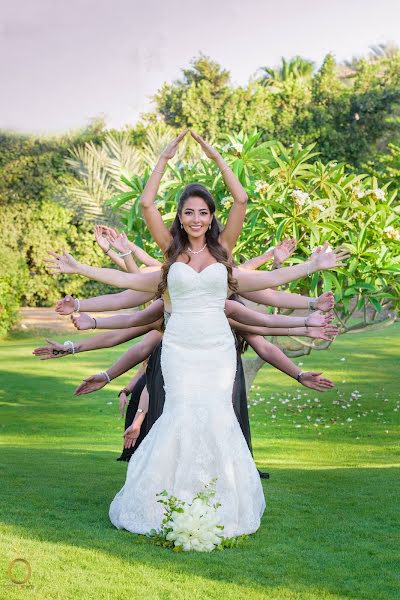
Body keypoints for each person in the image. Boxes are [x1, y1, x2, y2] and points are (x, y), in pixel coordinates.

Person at [46, 130, 348, 537]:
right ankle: (165, 503)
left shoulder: (224, 249)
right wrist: (164, 159)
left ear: (211, 217)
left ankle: (221, 504)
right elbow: (146, 206)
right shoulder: (170, 251)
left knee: (218, 417)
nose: (196, 219)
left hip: (218, 350)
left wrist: (214, 154)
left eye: (203, 212)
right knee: (180, 414)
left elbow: (244, 207)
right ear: (181, 217)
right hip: (180, 349)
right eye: (189, 212)